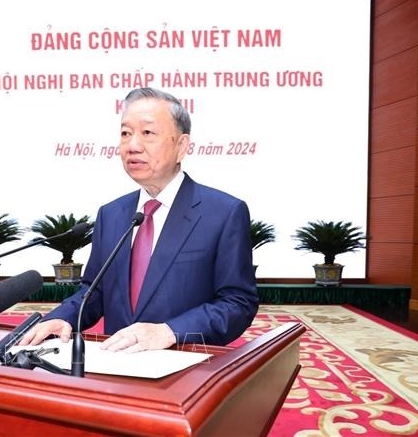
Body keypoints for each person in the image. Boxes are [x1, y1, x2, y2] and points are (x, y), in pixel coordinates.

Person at [20, 87, 258, 352]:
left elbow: (238, 302)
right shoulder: (111, 214)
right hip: (117, 367)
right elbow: (95, 291)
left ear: (181, 146)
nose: (133, 145)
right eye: (125, 133)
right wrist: (63, 317)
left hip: (185, 365)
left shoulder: (223, 212)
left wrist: (170, 331)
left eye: (147, 133)